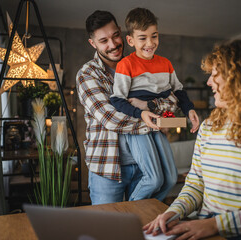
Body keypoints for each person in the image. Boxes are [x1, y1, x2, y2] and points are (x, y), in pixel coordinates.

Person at [144, 39, 241, 240]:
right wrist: (173, 212)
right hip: (205, 224)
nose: (209, 82)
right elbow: (195, 184)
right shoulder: (208, 127)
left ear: (240, 78)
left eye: (215, 75)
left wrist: (213, 225)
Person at [76, 10, 179, 204]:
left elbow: (172, 101)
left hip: (145, 166)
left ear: (123, 33)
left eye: (115, 36)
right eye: (104, 41)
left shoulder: (141, 62)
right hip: (106, 167)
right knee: (109, 229)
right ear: (93, 43)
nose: (113, 44)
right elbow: (111, 118)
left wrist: (148, 104)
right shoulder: (88, 74)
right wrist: (156, 121)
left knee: (141, 223)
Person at [110, 8, 200, 201]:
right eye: (142, 38)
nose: (150, 43)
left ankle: (148, 213)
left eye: (154, 36)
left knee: (170, 179)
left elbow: (179, 90)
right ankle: (132, 215)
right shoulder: (126, 64)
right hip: (137, 125)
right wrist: (139, 112)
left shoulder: (165, 63)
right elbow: (117, 99)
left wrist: (189, 109)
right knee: (153, 179)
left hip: (160, 124)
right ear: (130, 41)